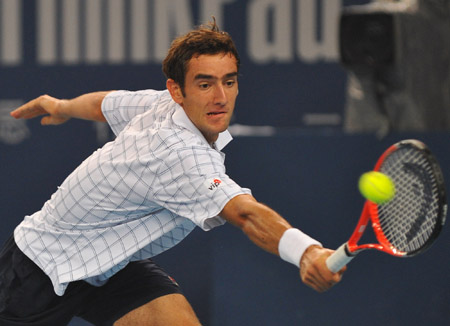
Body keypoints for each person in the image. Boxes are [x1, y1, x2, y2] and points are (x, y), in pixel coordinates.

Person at [0, 20, 345, 326]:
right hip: (40, 269)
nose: (221, 97)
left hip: (113, 264)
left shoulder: (162, 104)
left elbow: (104, 104)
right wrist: (307, 252)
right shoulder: (179, 154)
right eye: (205, 84)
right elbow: (244, 212)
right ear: (177, 90)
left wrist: (61, 107)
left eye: (229, 81)